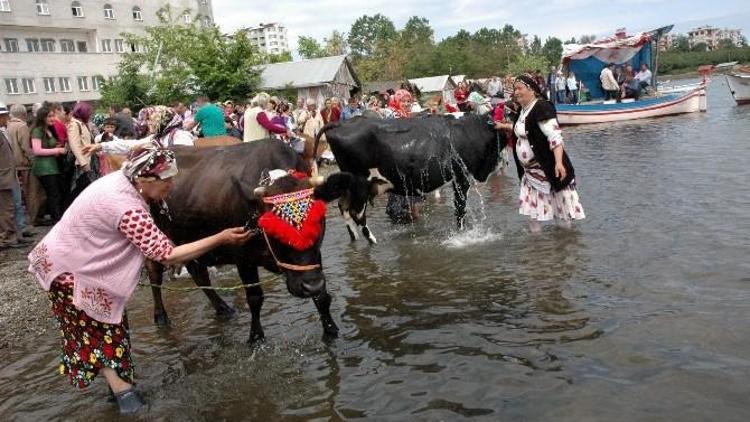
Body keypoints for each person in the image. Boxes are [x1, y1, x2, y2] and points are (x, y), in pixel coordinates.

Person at [27, 143, 251, 414]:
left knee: (109, 329)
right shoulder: (127, 207)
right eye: (167, 182)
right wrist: (220, 238)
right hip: (71, 274)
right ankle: (129, 402)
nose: (171, 187)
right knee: (103, 334)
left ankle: (118, 393)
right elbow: (166, 254)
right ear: (145, 179)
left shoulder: (120, 180)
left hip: (65, 259)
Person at [497, 74, 584, 233]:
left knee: (561, 214)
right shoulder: (523, 111)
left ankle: (566, 245)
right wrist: (504, 126)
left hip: (549, 169)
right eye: (514, 89)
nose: (515, 92)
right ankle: (537, 248)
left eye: (519, 88)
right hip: (529, 173)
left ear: (531, 90)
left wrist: (558, 163)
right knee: (532, 215)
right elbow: (526, 131)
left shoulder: (542, 107)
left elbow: (555, 136)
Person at [8, 104, 42, 231]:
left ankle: (20, 225)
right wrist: (33, 161)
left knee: (17, 197)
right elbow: (26, 147)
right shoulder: (22, 127)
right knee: (31, 193)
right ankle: (33, 220)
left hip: (12, 166)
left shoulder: (8, 126)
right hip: (24, 166)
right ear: (24, 114)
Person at [1, 103, 30, 250]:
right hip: (3, 179)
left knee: (13, 207)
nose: (7, 118)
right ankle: (7, 239)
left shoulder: (3, 131)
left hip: (8, 176)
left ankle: (15, 236)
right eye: (4, 115)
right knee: (7, 210)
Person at [31, 104, 67, 224]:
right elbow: (36, 150)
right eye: (49, 116)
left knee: (55, 194)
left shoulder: (49, 129)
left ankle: (56, 217)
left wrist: (57, 147)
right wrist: (57, 150)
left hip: (52, 167)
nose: (52, 118)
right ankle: (56, 219)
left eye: (53, 116)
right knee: (53, 194)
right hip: (44, 168)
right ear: (42, 117)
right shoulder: (37, 130)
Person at [67, 102, 97, 202]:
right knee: (81, 189)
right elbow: (74, 145)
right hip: (81, 164)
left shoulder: (82, 124)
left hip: (88, 160)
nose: (90, 114)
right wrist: (83, 163)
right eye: (89, 112)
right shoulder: (75, 124)